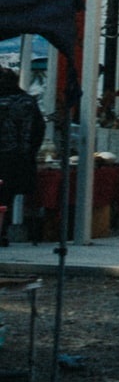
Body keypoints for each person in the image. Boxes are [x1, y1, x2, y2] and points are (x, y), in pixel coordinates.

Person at [0, 64, 44, 247]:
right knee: (8, 197)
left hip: (2, 156)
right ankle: (6, 232)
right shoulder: (28, 101)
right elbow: (39, 129)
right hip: (21, 157)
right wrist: (30, 151)